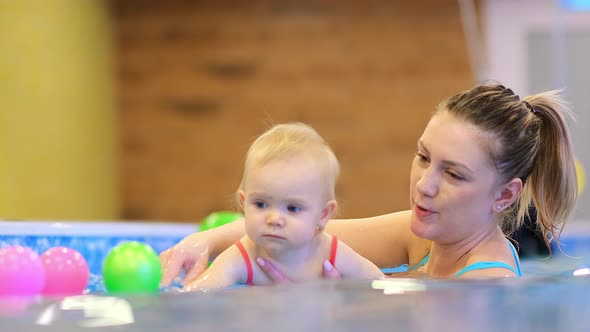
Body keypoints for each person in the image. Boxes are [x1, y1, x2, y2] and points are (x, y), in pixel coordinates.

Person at [160, 83, 578, 285]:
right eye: (423, 157)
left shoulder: (488, 284)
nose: (424, 186)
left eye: (453, 174)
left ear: (505, 194)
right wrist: (200, 244)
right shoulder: (430, 236)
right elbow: (308, 232)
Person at [181, 123, 383, 291]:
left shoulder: (331, 253)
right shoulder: (243, 257)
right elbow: (197, 293)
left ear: (323, 214)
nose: (274, 219)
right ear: (244, 203)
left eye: (292, 208)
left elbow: (380, 285)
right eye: (260, 204)